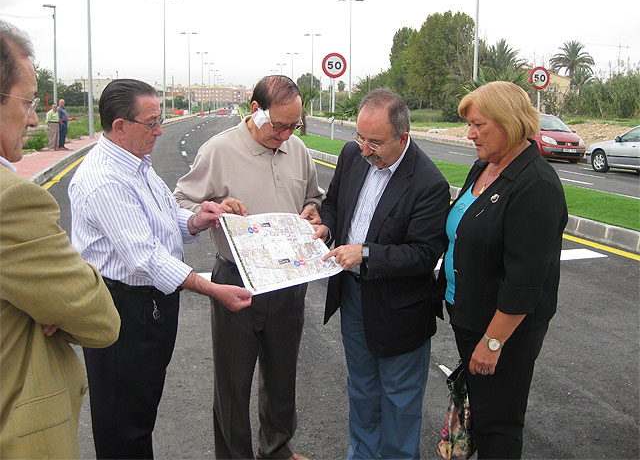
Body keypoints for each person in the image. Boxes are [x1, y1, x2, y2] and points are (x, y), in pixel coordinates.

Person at [68, 78, 253, 459]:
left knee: (140, 410)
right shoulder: (105, 180)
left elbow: (166, 221)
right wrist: (212, 288)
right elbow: (145, 257)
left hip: (148, 309)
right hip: (123, 310)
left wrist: (198, 219)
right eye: (151, 122)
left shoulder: (138, 165)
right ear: (120, 126)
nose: (158, 130)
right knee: (124, 424)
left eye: (160, 120)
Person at [173, 75, 323, 459]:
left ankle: (276, 448)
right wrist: (214, 210)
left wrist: (313, 211)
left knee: (281, 374)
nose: (286, 134)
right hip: (237, 280)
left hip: (289, 277)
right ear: (255, 111)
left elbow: (312, 197)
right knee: (233, 381)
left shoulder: (298, 150)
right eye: (279, 125)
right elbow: (179, 204)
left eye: (295, 126)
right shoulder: (218, 150)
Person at [0, 20, 120, 459]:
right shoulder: (12, 201)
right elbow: (100, 319)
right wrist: (64, 292)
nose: (33, 117)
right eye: (28, 102)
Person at [315, 88, 450, 459]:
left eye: (375, 142)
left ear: (403, 137)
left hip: (400, 309)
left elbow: (425, 254)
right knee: (361, 389)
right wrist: (326, 227)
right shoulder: (352, 155)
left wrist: (366, 254)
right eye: (360, 137)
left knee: (399, 400)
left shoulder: (428, 183)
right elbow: (334, 204)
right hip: (353, 296)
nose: (364, 149)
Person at [437, 81, 568, 459]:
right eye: (469, 124)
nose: (470, 133)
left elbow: (526, 280)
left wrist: (492, 343)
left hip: (503, 333)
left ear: (509, 123)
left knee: (499, 424)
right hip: (469, 315)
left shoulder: (536, 185)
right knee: (480, 410)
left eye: (479, 125)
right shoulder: (485, 166)